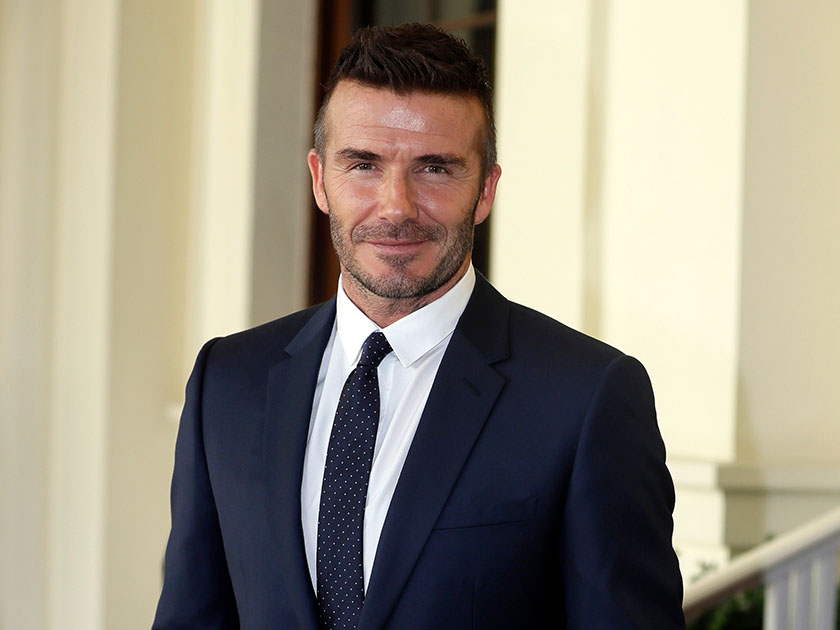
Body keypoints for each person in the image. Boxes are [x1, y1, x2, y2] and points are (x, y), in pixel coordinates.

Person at [153, 23, 685, 630]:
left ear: (485, 190)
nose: (396, 206)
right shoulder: (228, 382)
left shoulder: (587, 398)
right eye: (363, 164)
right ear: (319, 179)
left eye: (435, 168)